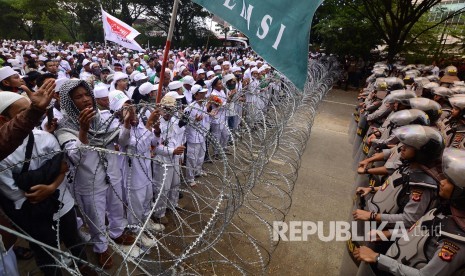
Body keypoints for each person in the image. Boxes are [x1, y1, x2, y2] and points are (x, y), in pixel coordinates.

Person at [0, 92, 96, 276]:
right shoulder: (4, 152)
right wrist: (46, 179)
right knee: (43, 249)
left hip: (62, 201)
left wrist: (51, 187)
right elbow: (13, 191)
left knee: (72, 238)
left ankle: (84, 267)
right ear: (4, 118)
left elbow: (62, 166)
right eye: (25, 112)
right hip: (31, 211)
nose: (32, 116)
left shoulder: (44, 137)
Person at [55, 80, 137, 269]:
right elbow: (76, 157)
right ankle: (101, 248)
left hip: (112, 172)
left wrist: (125, 123)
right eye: (78, 97)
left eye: (86, 95)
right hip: (89, 179)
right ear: (69, 102)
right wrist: (83, 131)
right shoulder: (64, 126)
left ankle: (117, 232)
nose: (85, 100)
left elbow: (123, 141)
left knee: (117, 206)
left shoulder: (104, 117)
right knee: (96, 216)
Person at [354, 148, 465, 276]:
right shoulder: (449, 212)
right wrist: (390, 233)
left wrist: (378, 258)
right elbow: (423, 230)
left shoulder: (457, 241)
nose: (442, 181)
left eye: (450, 181)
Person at [184, 85, 212, 187]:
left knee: (201, 154)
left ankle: (198, 171)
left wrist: (210, 114)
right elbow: (184, 122)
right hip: (193, 136)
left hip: (202, 134)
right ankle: (190, 178)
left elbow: (205, 118)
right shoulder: (190, 108)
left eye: (204, 93)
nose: (204, 95)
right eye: (201, 94)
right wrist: (195, 120)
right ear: (196, 95)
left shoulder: (203, 105)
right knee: (192, 158)